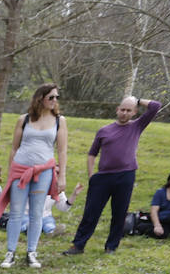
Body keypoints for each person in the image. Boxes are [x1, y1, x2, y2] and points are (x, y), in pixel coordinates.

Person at [64, 94, 162, 255]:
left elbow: (156, 106)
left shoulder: (137, 126)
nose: (124, 113)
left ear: (134, 112)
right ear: (117, 110)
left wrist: (136, 100)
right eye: (122, 109)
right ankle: (78, 245)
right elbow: (92, 154)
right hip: (102, 177)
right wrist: (91, 176)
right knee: (91, 212)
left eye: (128, 110)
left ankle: (111, 246)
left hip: (126, 176)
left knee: (119, 213)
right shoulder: (104, 130)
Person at [0, 85, 67, 269]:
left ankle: (31, 253)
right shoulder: (24, 120)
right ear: (40, 98)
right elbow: (14, 148)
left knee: (37, 212)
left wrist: (62, 176)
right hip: (21, 170)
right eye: (51, 97)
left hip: (43, 171)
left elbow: (62, 150)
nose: (54, 101)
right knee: (16, 212)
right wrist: (11, 171)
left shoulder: (59, 121)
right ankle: (10, 252)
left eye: (56, 97)